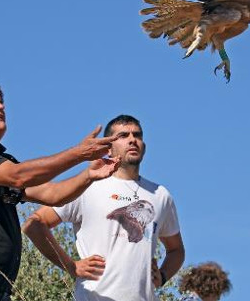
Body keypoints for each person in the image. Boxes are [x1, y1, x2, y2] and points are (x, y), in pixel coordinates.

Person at [0, 77, 120, 301]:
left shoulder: (0, 162)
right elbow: (18, 176)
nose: (0, 106)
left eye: (0, 102)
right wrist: (79, 153)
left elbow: (53, 195)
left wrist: (88, 175)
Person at [23, 114, 185, 301]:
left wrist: (162, 277)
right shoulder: (88, 186)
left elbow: (176, 250)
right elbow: (34, 224)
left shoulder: (160, 195)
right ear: (109, 148)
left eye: (137, 135)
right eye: (123, 136)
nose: (133, 140)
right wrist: (70, 265)